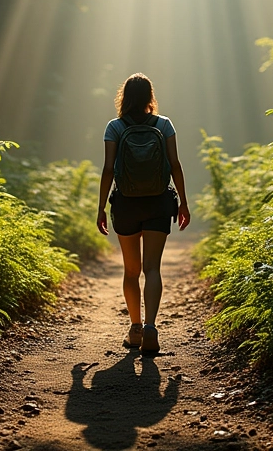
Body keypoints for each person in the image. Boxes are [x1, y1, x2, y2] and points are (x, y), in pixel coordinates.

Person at [97, 73, 190, 355]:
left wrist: (101, 207)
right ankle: (151, 328)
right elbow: (174, 165)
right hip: (159, 202)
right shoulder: (164, 125)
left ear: (124, 96)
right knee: (152, 268)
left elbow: (109, 169)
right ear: (150, 96)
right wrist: (183, 203)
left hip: (125, 204)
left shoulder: (114, 127)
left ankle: (135, 329)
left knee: (131, 270)